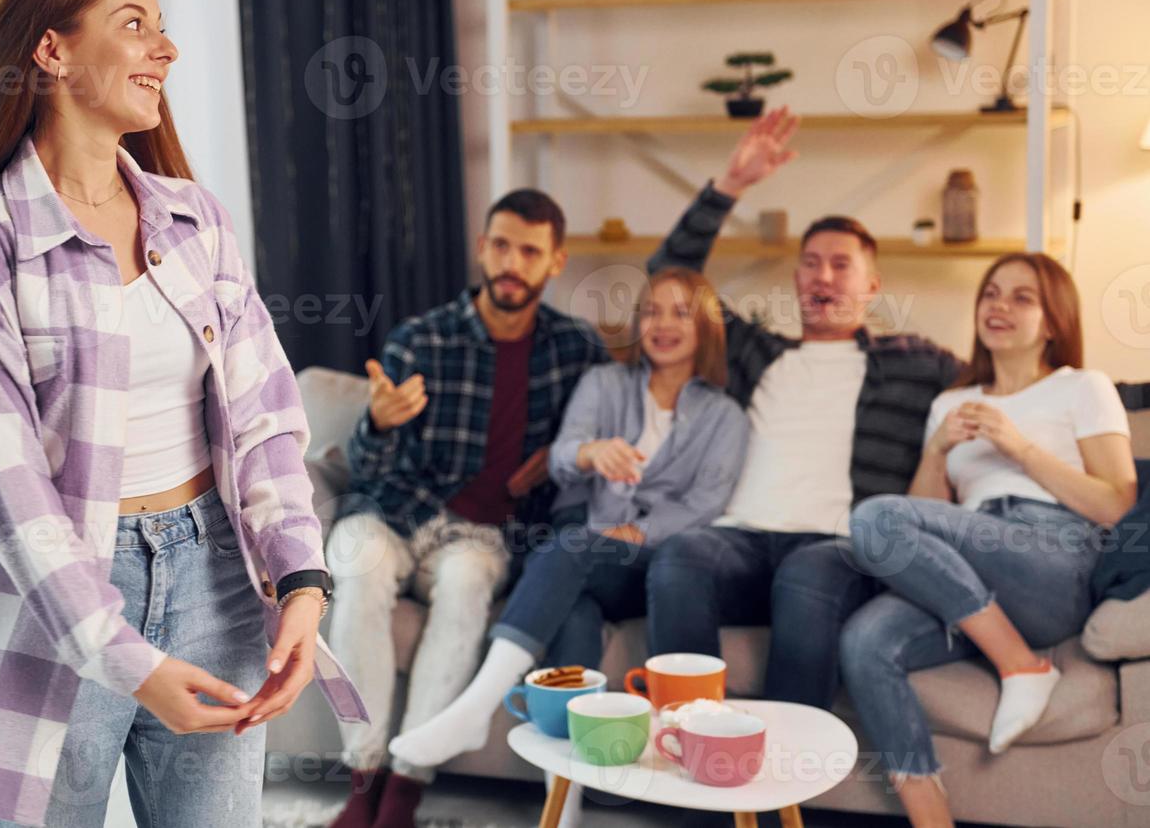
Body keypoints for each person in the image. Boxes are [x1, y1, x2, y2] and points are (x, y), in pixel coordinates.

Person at [0, 0, 363, 828]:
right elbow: (9, 491)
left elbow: (267, 418)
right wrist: (127, 660)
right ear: (52, 49)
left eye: (163, 26)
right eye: (134, 25)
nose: (166, 49)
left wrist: (303, 580)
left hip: (217, 581)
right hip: (55, 607)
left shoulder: (194, 219)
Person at [385, 268, 748, 823]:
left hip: (659, 563)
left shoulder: (724, 416)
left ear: (705, 329)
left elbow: (706, 501)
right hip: (588, 562)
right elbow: (561, 455)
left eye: (681, 313)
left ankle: (477, 707)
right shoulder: (605, 384)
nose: (663, 324)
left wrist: (637, 533)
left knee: (572, 547)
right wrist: (590, 453)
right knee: (572, 610)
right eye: (652, 311)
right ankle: (567, 804)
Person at [645, 108, 962, 709]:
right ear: (795, 279)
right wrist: (730, 186)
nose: (824, 275)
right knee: (680, 555)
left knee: (808, 573)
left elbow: (1003, 380)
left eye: (842, 264)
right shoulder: (754, 352)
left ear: (872, 284)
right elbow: (669, 277)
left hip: (838, 550)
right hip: (739, 541)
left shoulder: (915, 362)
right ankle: (692, 758)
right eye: (812, 262)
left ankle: (785, 787)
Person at [324, 190, 610, 828]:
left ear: (555, 261)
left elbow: (603, 435)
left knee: (465, 584)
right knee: (357, 562)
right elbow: (367, 469)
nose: (512, 262)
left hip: (483, 537)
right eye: (501, 245)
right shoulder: (420, 339)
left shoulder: (577, 351)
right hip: (399, 513)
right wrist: (375, 422)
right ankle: (363, 775)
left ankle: (406, 785)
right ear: (483, 246)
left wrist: (569, 452)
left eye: (530, 251)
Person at [841, 253, 1136, 828]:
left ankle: (1021, 665)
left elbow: (1117, 504)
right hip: (972, 578)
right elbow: (918, 528)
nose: (998, 307)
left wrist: (1020, 446)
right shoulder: (950, 404)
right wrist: (936, 452)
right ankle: (933, 821)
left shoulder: (1083, 387)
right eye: (991, 294)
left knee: (874, 517)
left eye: (1022, 298)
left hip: (1052, 559)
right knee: (864, 640)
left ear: (1053, 322)